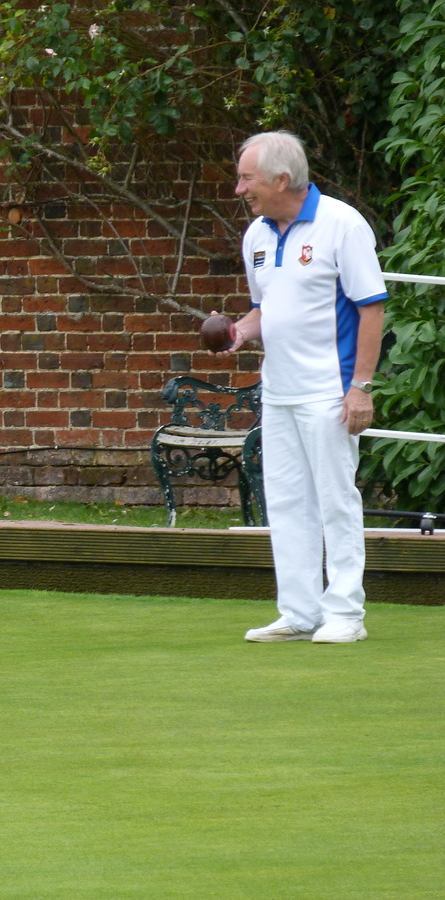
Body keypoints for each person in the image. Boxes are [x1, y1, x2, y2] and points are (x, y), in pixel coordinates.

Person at [222, 130, 386, 643]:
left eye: (246, 178)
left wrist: (360, 386)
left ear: (281, 179)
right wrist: (238, 331)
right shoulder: (257, 237)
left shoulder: (342, 224)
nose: (239, 189)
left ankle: (345, 616)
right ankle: (299, 612)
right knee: (288, 501)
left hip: (329, 391)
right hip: (280, 391)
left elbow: (371, 307)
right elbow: (265, 309)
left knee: (336, 500)